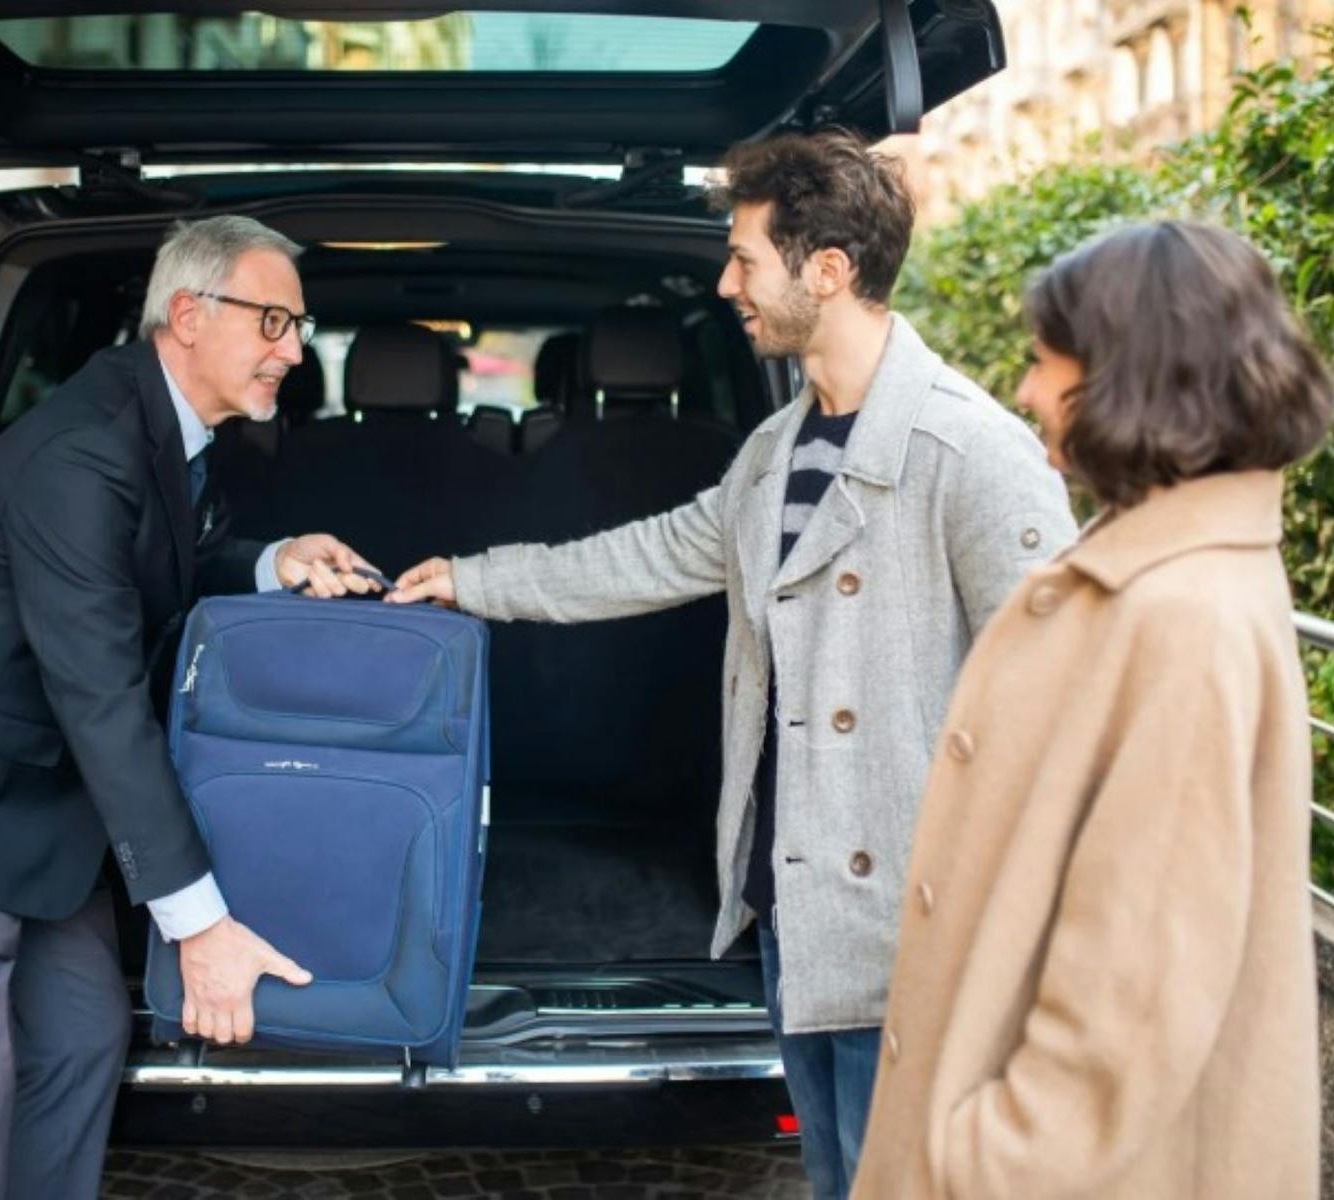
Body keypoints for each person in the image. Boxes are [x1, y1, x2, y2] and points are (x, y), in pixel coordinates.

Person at [387, 131, 1078, 1199]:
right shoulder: (776, 448)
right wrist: (475, 578)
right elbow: (652, 553)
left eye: (744, 258)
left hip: (917, 935)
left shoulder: (970, 455)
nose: (725, 284)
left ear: (828, 270)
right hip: (788, 908)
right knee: (839, 1176)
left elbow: (1058, 709)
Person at [0, 215, 381, 1200]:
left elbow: (153, 568)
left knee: (78, 1039)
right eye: (274, 321)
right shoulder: (85, 450)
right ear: (189, 315)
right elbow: (99, 692)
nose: (295, 350)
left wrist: (273, 564)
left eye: (298, 324)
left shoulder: (166, 422)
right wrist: (199, 926)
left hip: (40, 798)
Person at [850, 220, 1334, 1199]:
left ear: (1127, 375)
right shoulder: (1170, 578)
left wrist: (973, 1163)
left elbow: (1133, 1003)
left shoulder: (1178, 617)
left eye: (1042, 362)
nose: (1026, 390)